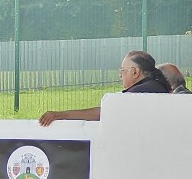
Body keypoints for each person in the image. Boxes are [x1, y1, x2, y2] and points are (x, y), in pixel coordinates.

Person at [39, 50, 169, 124]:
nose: (120, 75)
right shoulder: (154, 86)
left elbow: (104, 113)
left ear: (135, 72)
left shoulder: (139, 92)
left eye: (122, 70)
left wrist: (61, 115)